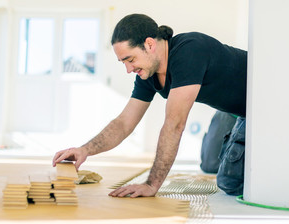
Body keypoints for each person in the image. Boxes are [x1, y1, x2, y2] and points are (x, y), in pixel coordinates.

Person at [52, 13, 247, 197]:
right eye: (123, 63)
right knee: (212, 164)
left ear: (150, 44)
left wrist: (151, 185)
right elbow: (124, 123)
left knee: (231, 182)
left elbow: (175, 124)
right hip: (233, 110)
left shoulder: (189, 50)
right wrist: (84, 150)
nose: (129, 69)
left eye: (130, 59)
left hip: (264, 100)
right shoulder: (148, 73)